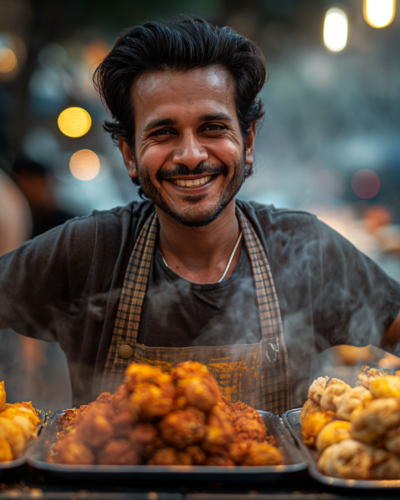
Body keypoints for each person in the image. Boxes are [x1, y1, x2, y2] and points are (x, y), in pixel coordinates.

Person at [1, 16, 400, 410]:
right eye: (163, 132)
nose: (191, 155)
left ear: (248, 141)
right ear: (128, 155)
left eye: (212, 128)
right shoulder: (88, 251)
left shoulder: (303, 249)